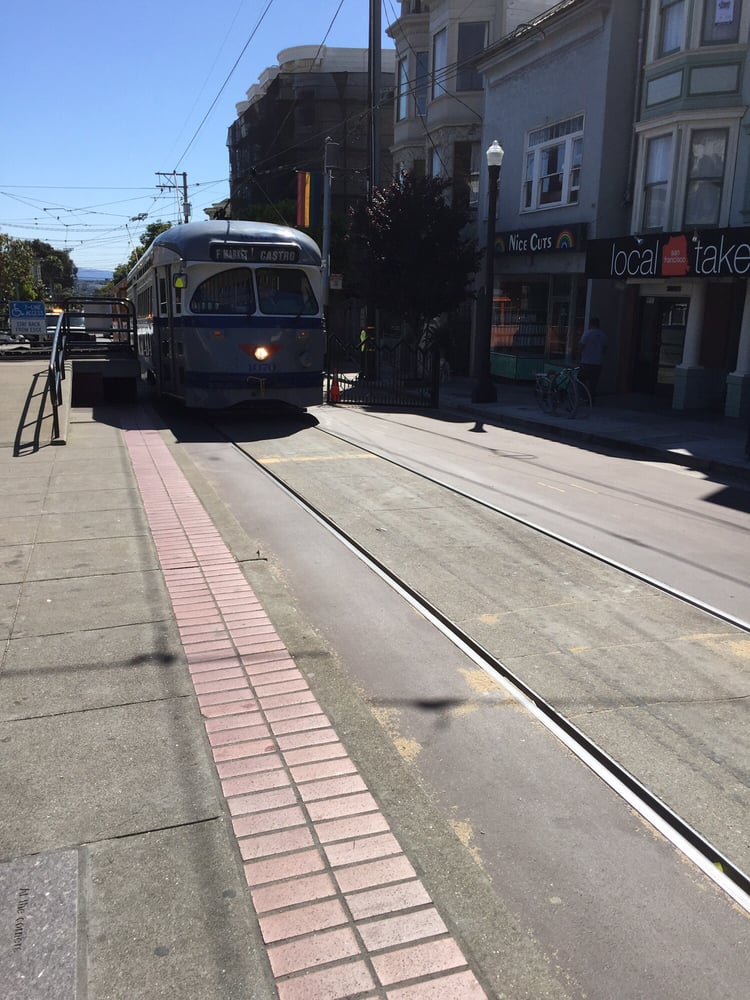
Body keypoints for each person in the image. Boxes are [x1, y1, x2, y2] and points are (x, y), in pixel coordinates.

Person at [578, 316, 607, 403]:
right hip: (597, 362)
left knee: (581, 379)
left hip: (586, 362)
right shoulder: (603, 335)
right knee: (593, 382)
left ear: (590, 324)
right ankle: (591, 399)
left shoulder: (587, 333)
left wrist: (578, 357)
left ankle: (583, 397)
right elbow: (604, 350)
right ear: (598, 324)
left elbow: (581, 346)